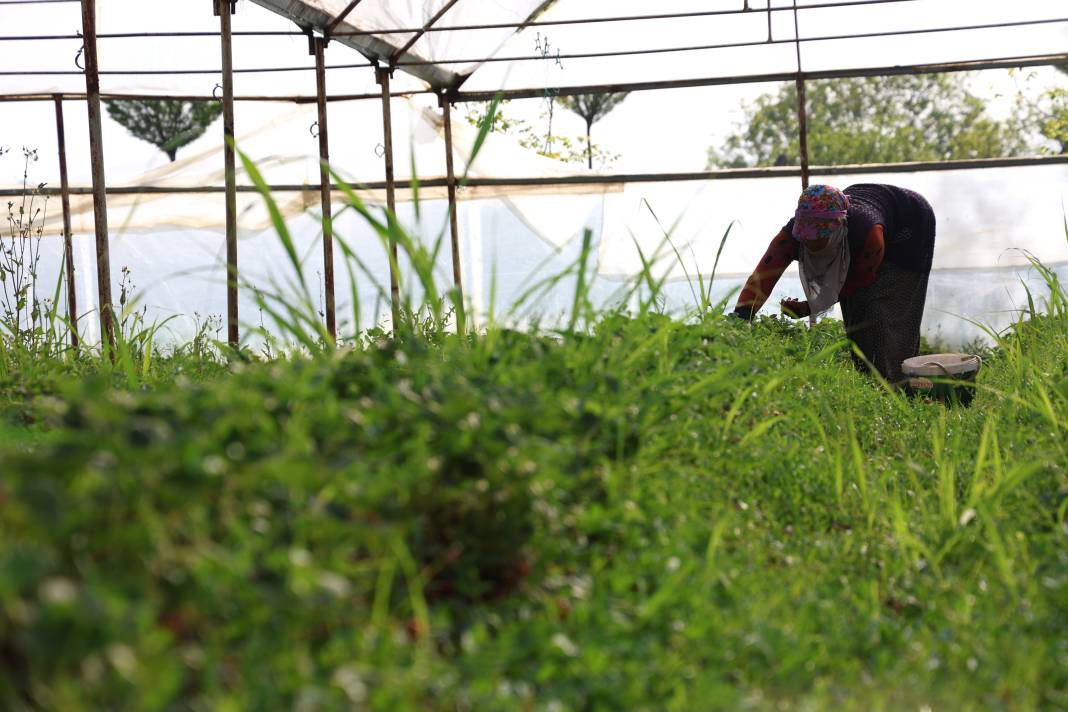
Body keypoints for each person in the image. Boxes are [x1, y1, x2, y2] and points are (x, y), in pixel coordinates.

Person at [733, 183, 935, 385]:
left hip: (910, 223)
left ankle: (899, 382)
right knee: (858, 316)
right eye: (806, 237)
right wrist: (740, 320)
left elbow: (859, 280)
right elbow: (763, 276)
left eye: (819, 237)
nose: (810, 243)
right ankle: (872, 380)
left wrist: (809, 307)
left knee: (882, 310)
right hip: (873, 214)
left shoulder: (868, 233)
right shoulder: (791, 236)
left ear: (838, 226)